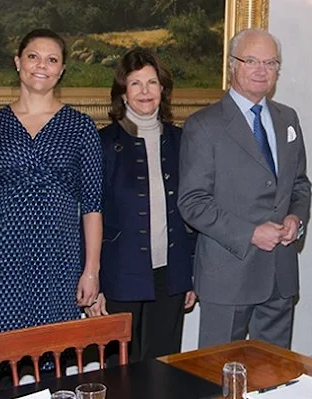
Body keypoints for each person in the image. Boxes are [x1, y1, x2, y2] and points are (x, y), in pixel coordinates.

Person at [0, 29, 103, 365]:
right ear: (18, 62)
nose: (41, 65)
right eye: (33, 56)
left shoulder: (81, 127)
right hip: (0, 261)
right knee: (2, 365)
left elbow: (92, 206)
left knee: (58, 363)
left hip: (59, 262)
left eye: (52, 59)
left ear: (61, 70)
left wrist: (91, 270)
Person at [177, 28, 311, 349]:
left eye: (270, 62)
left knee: (274, 376)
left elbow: (300, 184)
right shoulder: (203, 125)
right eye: (251, 60)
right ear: (232, 65)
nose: (261, 70)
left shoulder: (288, 119)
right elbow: (192, 202)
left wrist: (296, 218)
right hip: (228, 275)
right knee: (217, 376)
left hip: (280, 273)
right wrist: (250, 232)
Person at [85, 48, 196, 362]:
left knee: (163, 372)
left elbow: (193, 211)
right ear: (123, 93)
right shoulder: (102, 143)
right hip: (120, 278)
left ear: (163, 89)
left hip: (171, 277)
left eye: (152, 82)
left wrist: (189, 275)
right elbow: (89, 214)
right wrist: (95, 284)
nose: (145, 92)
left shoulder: (182, 141)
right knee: (121, 374)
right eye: (135, 84)